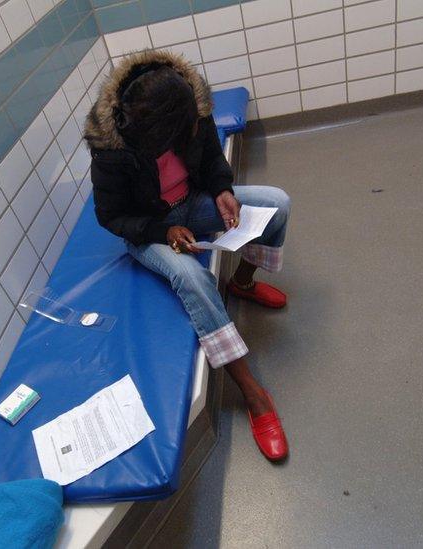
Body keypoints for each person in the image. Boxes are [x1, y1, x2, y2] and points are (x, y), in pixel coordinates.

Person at [84, 50, 291, 461]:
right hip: (149, 228)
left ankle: (244, 283)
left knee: (276, 203)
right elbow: (111, 217)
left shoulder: (187, 108)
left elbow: (212, 158)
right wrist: (164, 231)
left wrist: (222, 191)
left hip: (193, 203)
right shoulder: (112, 146)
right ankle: (253, 394)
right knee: (193, 277)